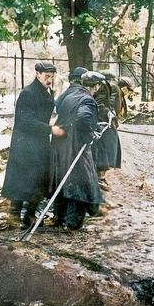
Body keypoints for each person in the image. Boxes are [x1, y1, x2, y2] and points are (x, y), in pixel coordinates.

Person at [2, 61, 65, 229]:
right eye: (47, 76)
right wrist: (51, 129)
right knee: (23, 180)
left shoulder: (46, 91)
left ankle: (29, 215)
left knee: (36, 180)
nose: (50, 80)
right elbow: (25, 121)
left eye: (52, 77)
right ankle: (16, 216)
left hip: (39, 141)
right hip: (25, 143)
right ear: (38, 74)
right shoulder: (28, 93)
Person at [50, 71, 105, 229]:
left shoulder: (68, 95)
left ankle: (58, 217)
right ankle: (73, 223)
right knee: (80, 181)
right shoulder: (87, 99)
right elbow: (82, 118)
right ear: (96, 86)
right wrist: (89, 134)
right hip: (75, 146)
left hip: (60, 145)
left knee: (62, 180)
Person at [92, 70, 122, 190]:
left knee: (108, 147)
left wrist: (112, 113)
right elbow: (100, 103)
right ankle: (100, 177)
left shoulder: (108, 87)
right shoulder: (104, 87)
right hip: (102, 123)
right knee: (105, 148)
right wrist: (107, 112)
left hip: (106, 121)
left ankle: (100, 176)